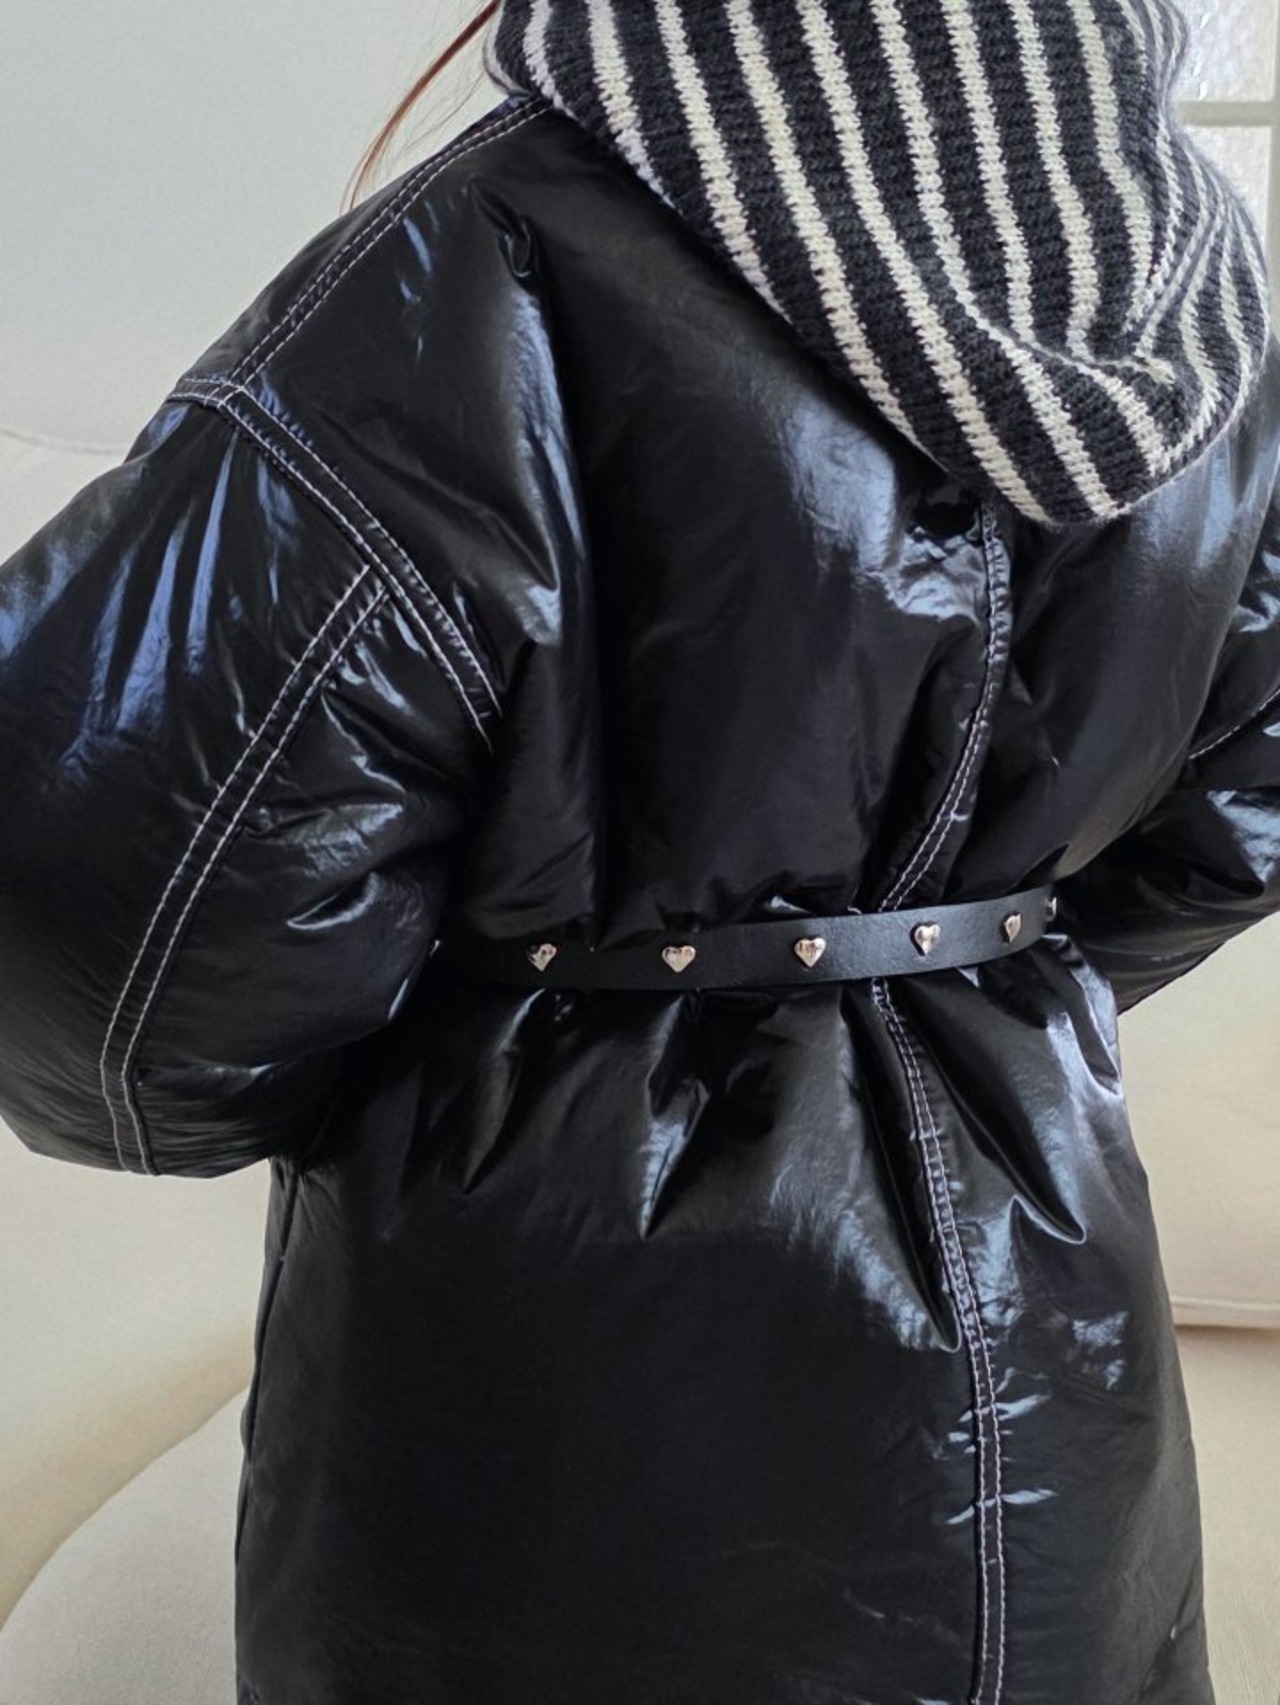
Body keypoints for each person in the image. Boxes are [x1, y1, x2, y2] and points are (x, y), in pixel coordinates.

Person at [0, 2, 1276, 1701]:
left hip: (557, 1412)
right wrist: (960, 994)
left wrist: (476, 1059)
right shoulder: (1195, 278)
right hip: (1054, 1388)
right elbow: (1240, 809)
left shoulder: (485, 258)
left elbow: (106, 935)